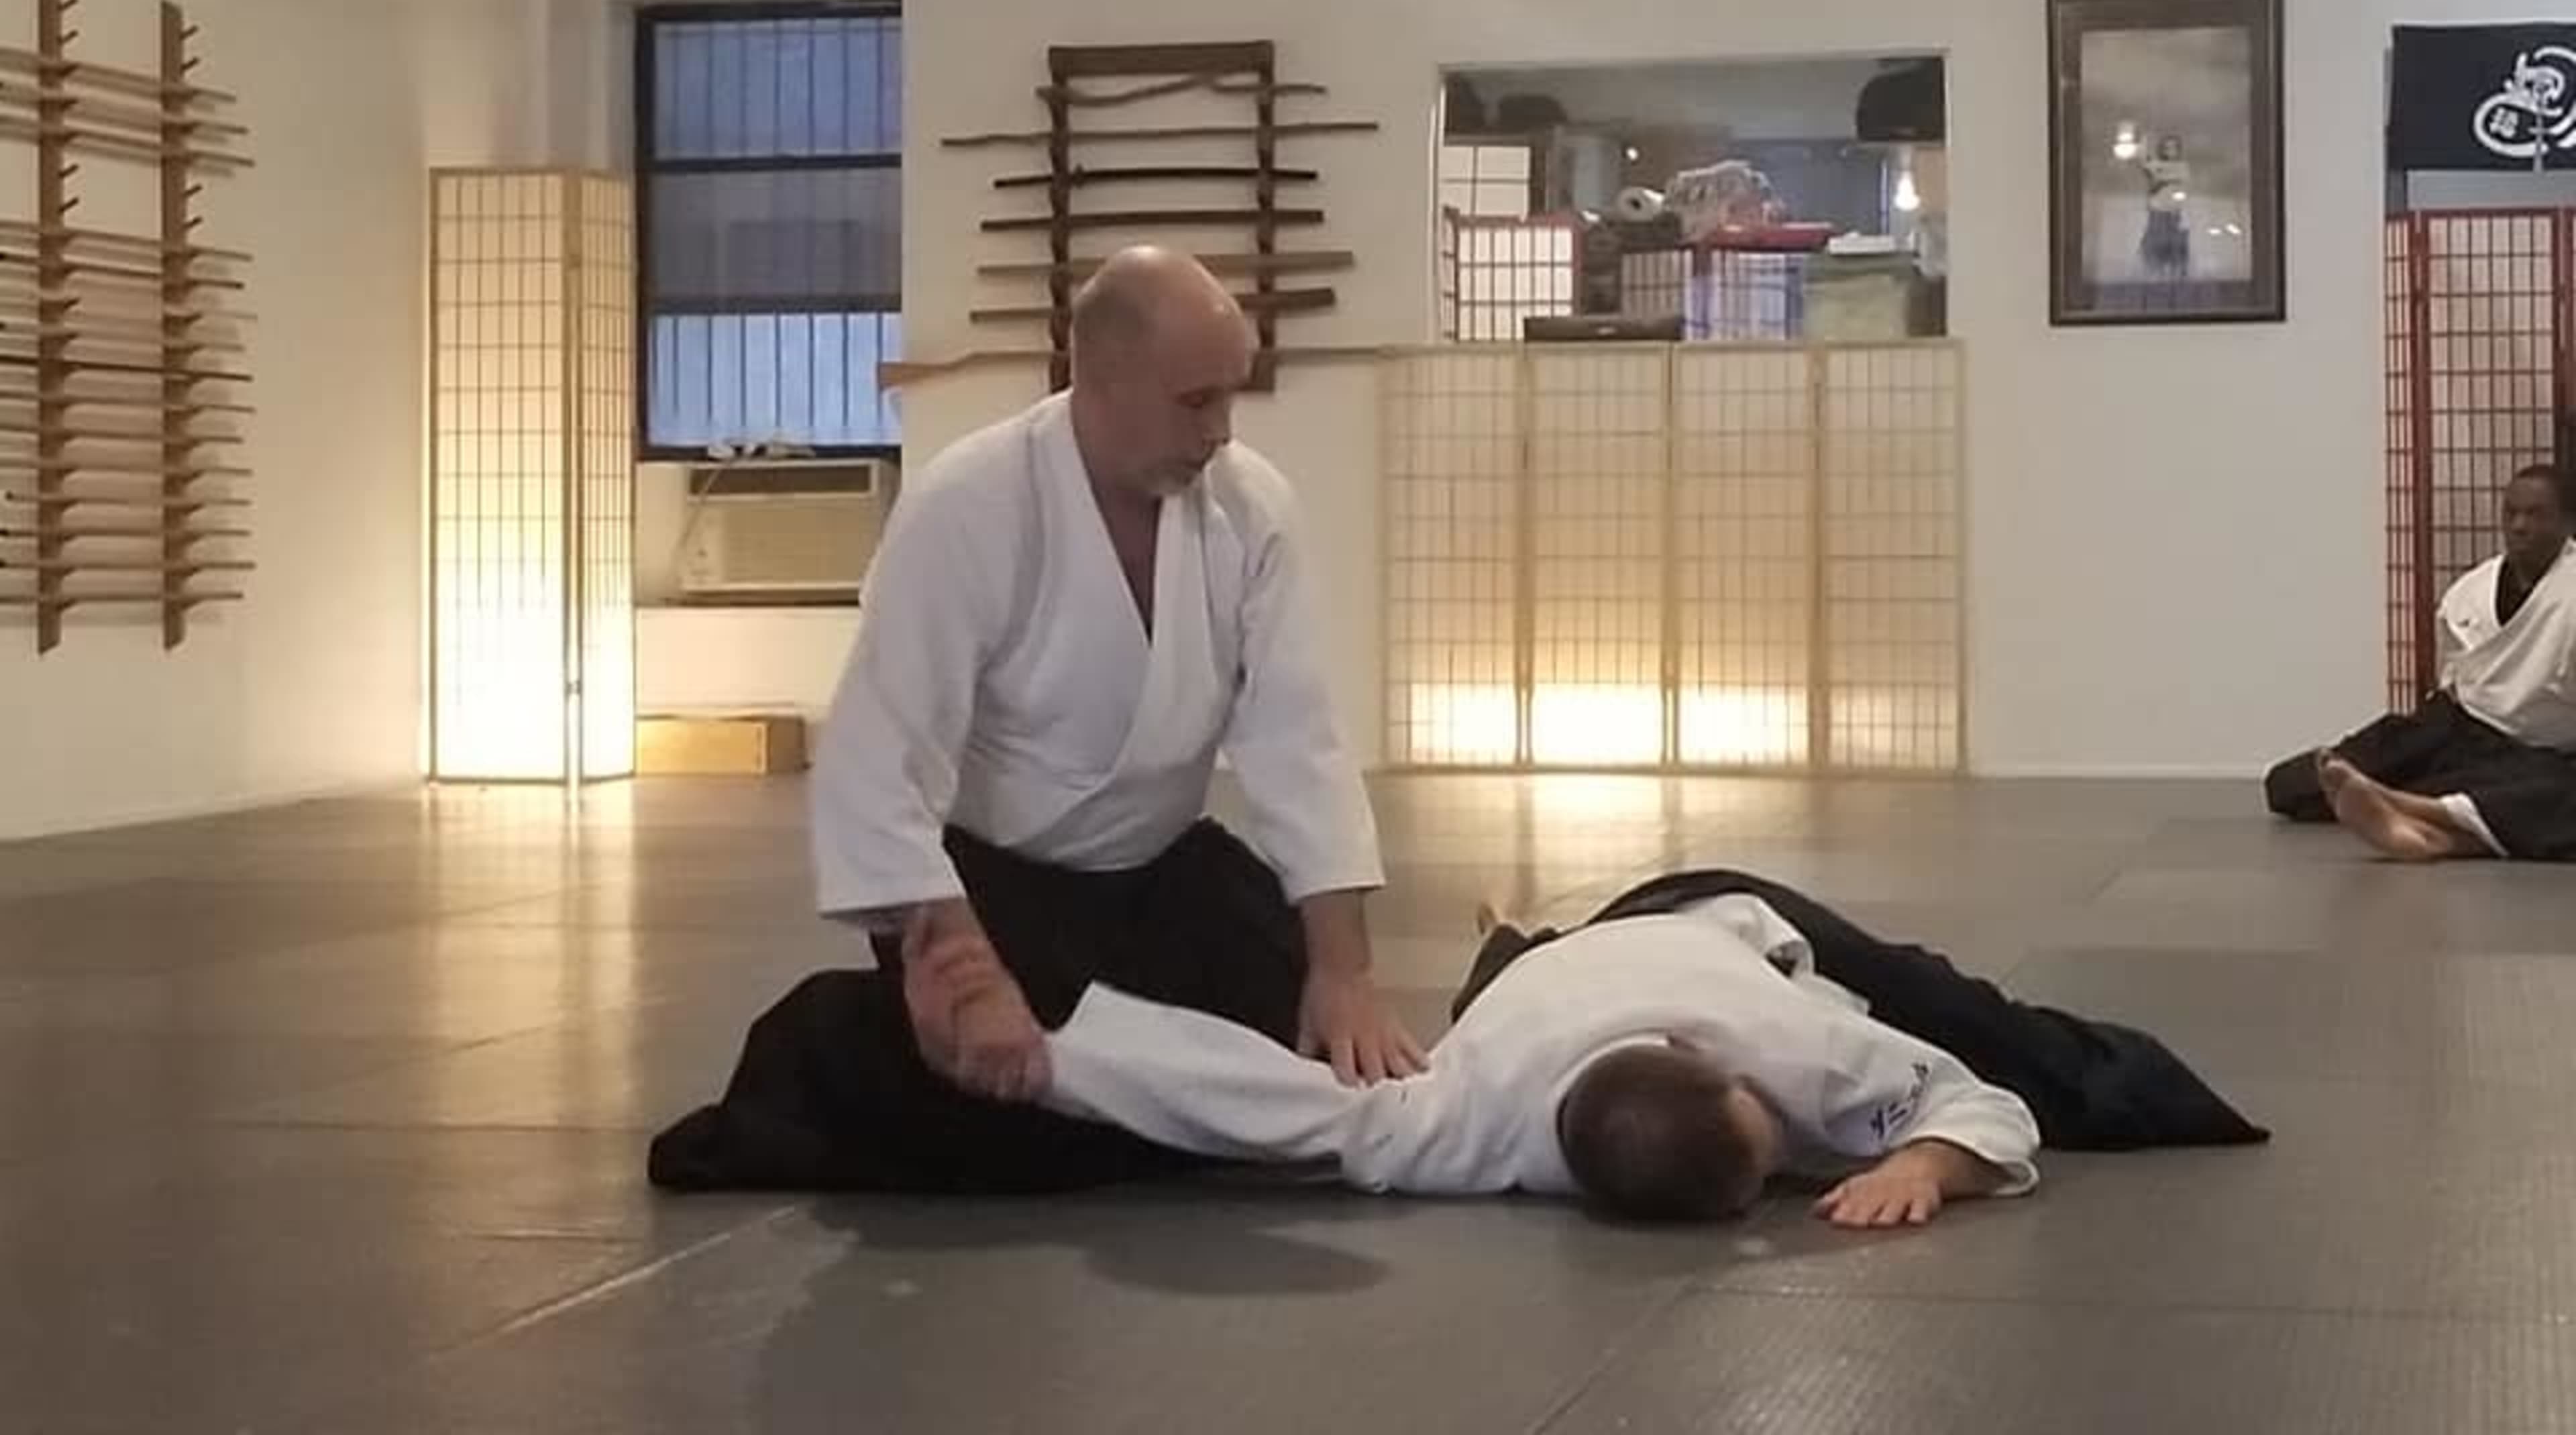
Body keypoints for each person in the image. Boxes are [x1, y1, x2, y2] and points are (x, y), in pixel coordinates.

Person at [647, 246, 1421, 1195]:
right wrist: (963, 972)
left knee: (1298, 1053)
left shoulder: (1250, 508)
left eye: (1231, 398)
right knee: (1016, 1093)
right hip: (989, 890)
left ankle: (1051, 1072)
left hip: (1157, 875)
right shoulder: (971, 505)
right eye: (1195, 402)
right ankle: (824, 1050)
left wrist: (1343, 969)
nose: (1221, 431)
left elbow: (1297, 736)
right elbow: (880, 756)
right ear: (1100, 381)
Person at [972, 868, 2265, 1228]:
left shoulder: (1783, 1044)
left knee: (1990, 1026)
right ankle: (1512, 940)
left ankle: (1514, 940)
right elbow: (1289, 1108)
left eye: (1769, 1150)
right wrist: (1063, 1060)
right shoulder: (1474, 1126)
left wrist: (1934, 1161)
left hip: (1709, 917)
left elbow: (1976, 1096)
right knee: (1515, 976)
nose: (1792, 1161)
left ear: (1728, 1081)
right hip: (1547, 995)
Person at [2264, 464, 2576, 863]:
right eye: (2511, 513)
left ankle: (2403, 807)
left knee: (2547, 789)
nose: (2519, 526)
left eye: (2536, 515)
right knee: (2294, 786)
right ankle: (2408, 808)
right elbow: (2453, 678)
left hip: (2530, 750)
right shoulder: (2473, 590)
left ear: (2568, 523)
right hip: (2456, 725)